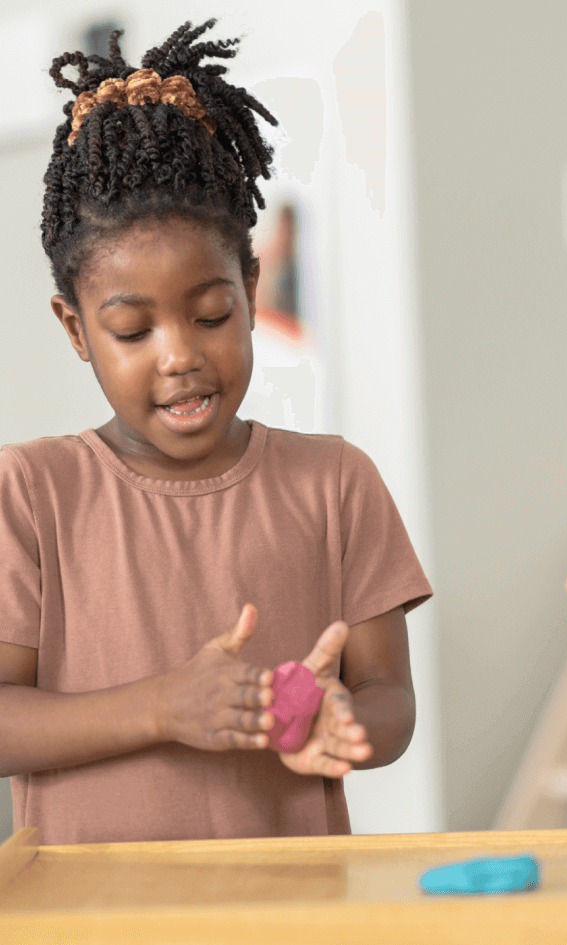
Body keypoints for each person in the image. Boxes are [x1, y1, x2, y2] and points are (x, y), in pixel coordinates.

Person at [0, 21, 432, 845]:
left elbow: (391, 700)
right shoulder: (28, 493)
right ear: (76, 328)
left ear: (251, 286)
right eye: (133, 330)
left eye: (211, 314)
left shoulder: (335, 482)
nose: (180, 357)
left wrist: (344, 719)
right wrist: (165, 705)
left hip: (293, 916)